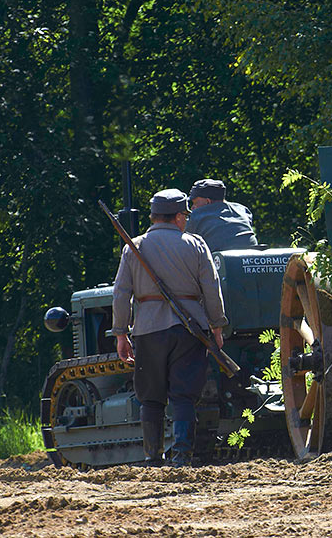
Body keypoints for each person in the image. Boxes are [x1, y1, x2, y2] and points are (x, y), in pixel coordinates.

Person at [111, 189, 228, 467]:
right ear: (177, 217)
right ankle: (181, 456)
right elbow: (212, 289)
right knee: (184, 395)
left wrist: (121, 333)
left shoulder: (134, 247)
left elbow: (121, 294)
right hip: (190, 330)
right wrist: (216, 326)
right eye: (185, 216)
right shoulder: (196, 245)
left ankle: (152, 458)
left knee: (151, 398)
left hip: (148, 330)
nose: (186, 220)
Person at [186, 178, 258, 252]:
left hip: (220, 257)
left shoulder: (197, 215)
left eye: (195, 203)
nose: (192, 207)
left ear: (208, 202)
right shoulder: (242, 210)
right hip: (252, 255)